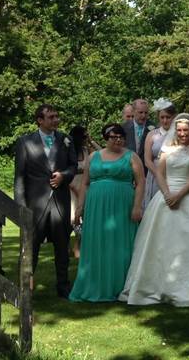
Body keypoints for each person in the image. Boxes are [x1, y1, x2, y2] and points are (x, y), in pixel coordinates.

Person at [120, 114, 189, 307]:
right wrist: (166, 194)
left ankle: (188, 282)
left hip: (188, 195)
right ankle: (156, 282)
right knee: (159, 241)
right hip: (165, 196)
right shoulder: (166, 148)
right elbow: (159, 173)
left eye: (186, 130)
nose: (182, 134)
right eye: (179, 130)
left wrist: (179, 195)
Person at [70, 123, 144, 302]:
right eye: (114, 137)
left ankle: (121, 287)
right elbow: (85, 183)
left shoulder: (131, 156)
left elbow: (141, 182)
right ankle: (95, 284)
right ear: (105, 138)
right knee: (97, 243)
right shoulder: (94, 156)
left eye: (121, 137)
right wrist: (80, 208)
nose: (118, 140)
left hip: (122, 207)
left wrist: (136, 206)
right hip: (96, 208)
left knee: (121, 244)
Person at [14, 104, 78, 298]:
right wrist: (20, 206)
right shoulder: (25, 142)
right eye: (51, 117)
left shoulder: (65, 139)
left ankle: (63, 287)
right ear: (40, 120)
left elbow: (73, 166)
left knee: (62, 245)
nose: (56, 120)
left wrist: (63, 176)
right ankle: (25, 287)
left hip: (60, 201)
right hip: (36, 203)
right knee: (31, 246)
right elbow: (19, 177)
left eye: (57, 116)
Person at [68, 125, 100, 259]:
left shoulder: (87, 151)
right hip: (71, 186)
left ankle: (79, 245)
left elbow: (101, 152)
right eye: (84, 136)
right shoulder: (68, 151)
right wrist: (74, 188)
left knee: (86, 219)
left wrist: (91, 141)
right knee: (73, 218)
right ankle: (68, 246)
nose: (85, 139)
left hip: (86, 185)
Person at [141, 99, 176, 212]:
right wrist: (159, 174)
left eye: (168, 117)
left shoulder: (178, 134)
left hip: (173, 175)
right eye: (162, 117)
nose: (165, 120)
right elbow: (147, 159)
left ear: (173, 117)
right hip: (155, 175)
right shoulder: (152, 134)